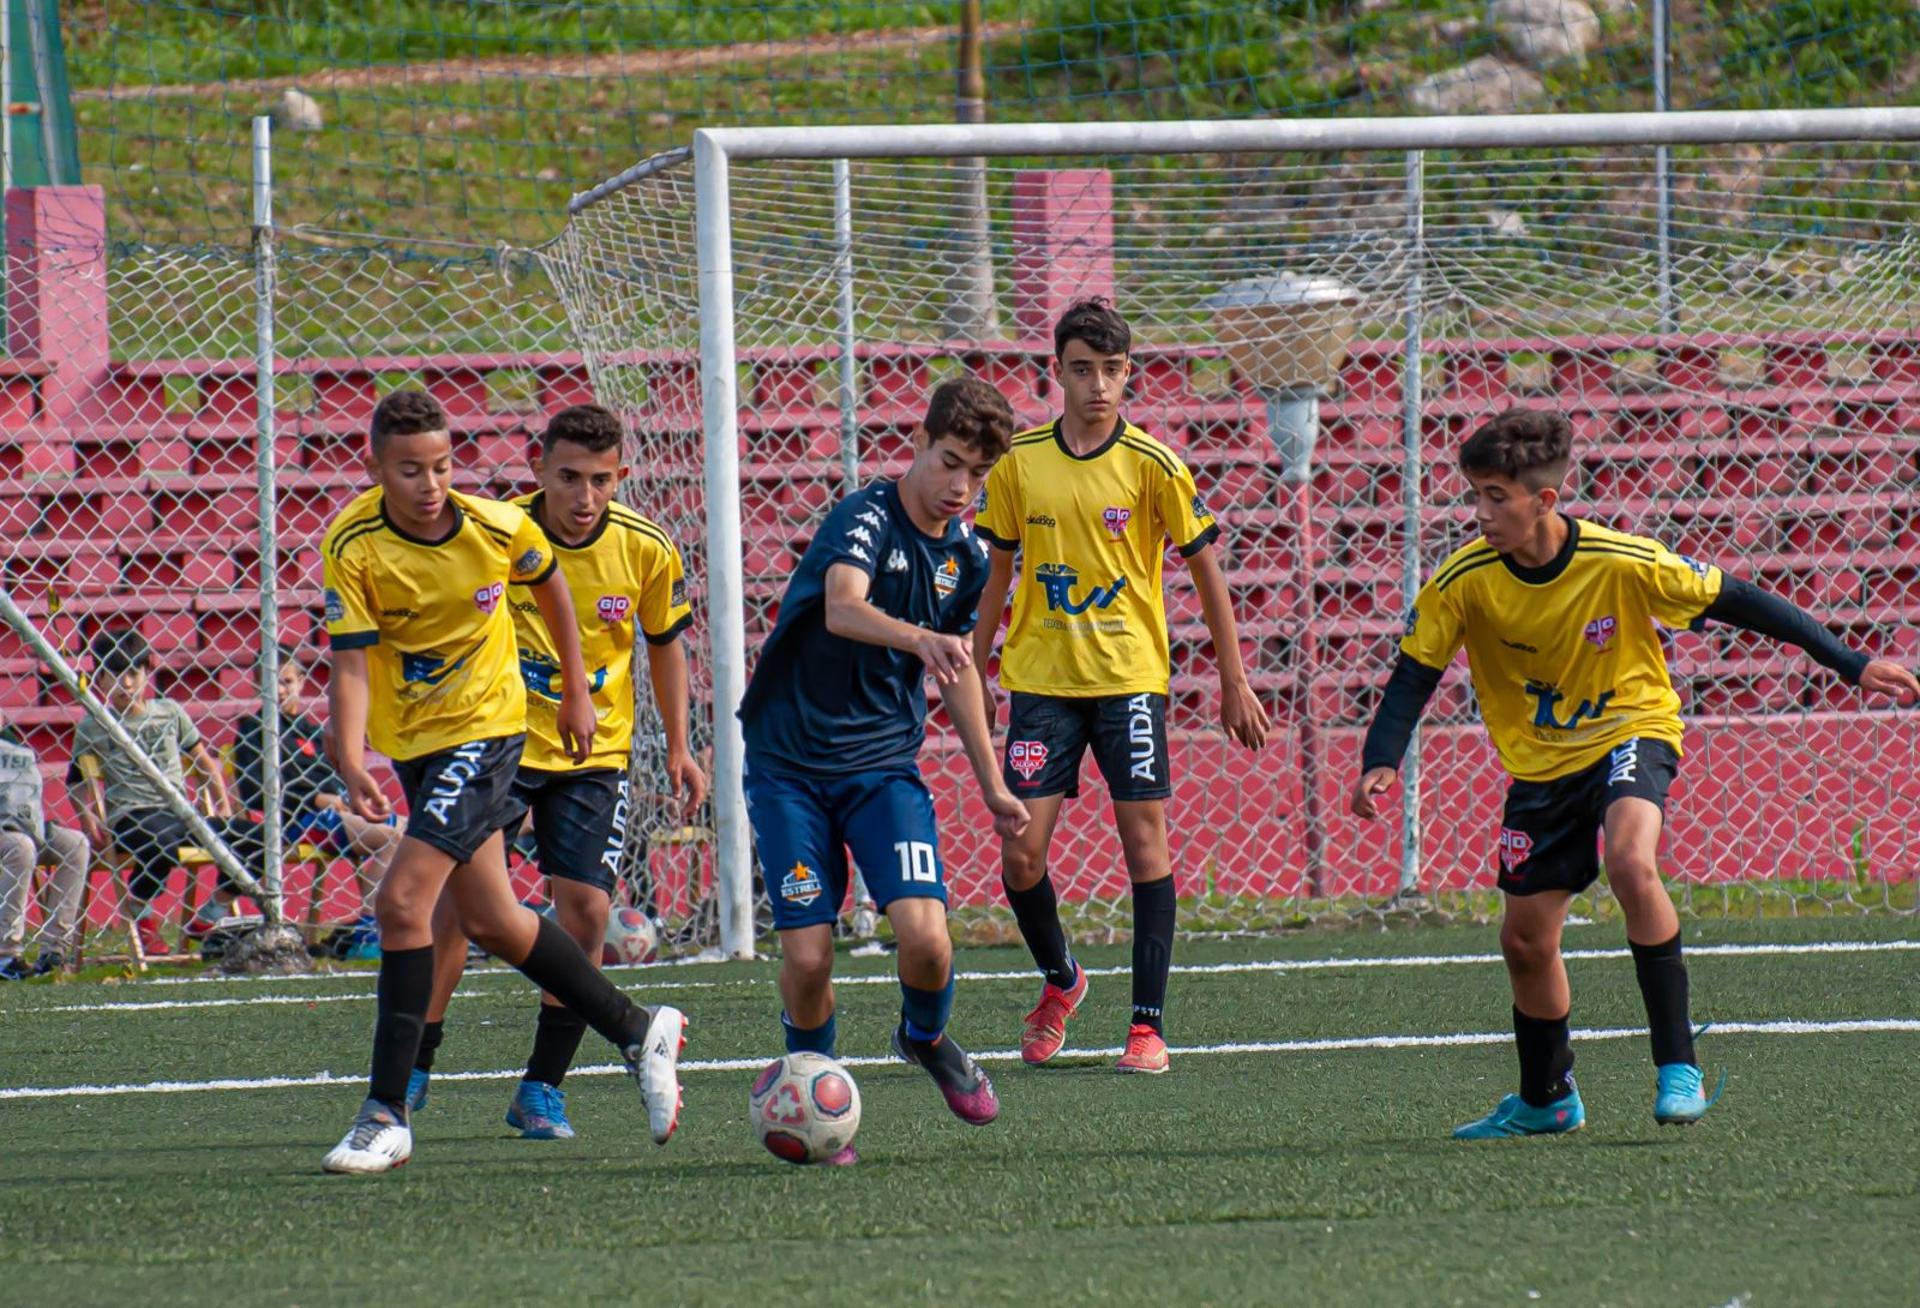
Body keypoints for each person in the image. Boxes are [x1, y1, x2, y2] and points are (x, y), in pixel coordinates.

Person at [1350, 407, 1920, 1138]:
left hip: (1632, 729)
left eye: (1497, 497)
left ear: (1544, 501)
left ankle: (1677, 1064)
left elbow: (1743, 599)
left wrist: (1850, 662)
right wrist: (1379, 761)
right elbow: (1412, 675)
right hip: (1541, 768)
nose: (1482, 513)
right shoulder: (1464, 578)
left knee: (1629, 860)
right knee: (1525, 942)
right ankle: (1547, 1097)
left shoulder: (1623, 561)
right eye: (1477, 496)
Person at [317, 388, 687, 1175]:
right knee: (489, 918)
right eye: (410, 470)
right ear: (378, 467)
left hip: (491, 733)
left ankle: (388, 1108)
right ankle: (635, 1027)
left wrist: (580, 689)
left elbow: (552, 583)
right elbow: (350, 661)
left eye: (443, 466)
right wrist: (350, 755)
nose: (429, 484)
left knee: (403, 900)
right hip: (417, 741)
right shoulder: (351, 543)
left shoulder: (497, 526)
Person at [972, 297, 1269, 1075]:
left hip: (1131, 679)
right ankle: (1063, 980)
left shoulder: (1154, 465)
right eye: (1082, 371)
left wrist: (1233, 678)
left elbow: (1205, 567)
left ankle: (1147, 1026)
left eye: (1111, 370)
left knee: (1145, 842)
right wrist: (973, 664)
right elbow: (997, 572)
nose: (1098, 386)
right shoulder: (1019, 464)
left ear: (1128, 372)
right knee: (1021, 857)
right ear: (1058, 374)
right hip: (1040, 679)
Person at [739, 376, 1028, 1164]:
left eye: (977, 474)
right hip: (788, 767)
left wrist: (993, 784)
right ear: (921, 443)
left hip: (879, 769)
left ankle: (924, 1037)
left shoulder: (965, 555)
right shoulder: (864, 517)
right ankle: (816, 1086)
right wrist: (919, 639)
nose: (960, 487)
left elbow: (960, 668)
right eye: (950, 462)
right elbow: (842, 606)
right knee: (808, 954)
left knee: (928, 942)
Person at [413, 402, 707, 1140]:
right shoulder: (496, 534)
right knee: (460, 905)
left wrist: (678, 744)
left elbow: (665, 642)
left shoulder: (646, 547)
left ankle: (541, 1089)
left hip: (592, 754)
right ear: (538, 470)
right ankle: (416, 1060)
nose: (585, 497)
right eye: (569, 477)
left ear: (622, 477)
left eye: (601, 480)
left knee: (585, 911)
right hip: (497, 743)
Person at [71, 629, 254, 958]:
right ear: (98, 679)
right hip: (132, 817)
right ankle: (139, 909)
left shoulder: (170, 712)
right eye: (114, 675)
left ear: (146, 673)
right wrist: (88, 821)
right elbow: (75, 781)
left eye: (132, 673)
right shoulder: (93, 725)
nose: (125, 684)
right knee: (161, 842)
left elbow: (204, 763)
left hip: (182, 814)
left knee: (259, 837)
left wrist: (223, 804)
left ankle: (210, 916)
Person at [232, 642, 401, 925]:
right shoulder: (253, 730)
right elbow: (252, 792)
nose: (279, 690)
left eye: (286, 681)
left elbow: (333, 777)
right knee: (392, 838)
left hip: (337, 815)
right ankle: (370, 926)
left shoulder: (311, 731)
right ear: (256, 685)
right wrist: (314, 799)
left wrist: (350, 798)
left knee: (413, 834)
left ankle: (394, 916)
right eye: (270, 682)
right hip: (298, 821)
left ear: (301, 681)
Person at [0, 708, 89, 978]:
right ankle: (6, 953)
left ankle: (54, 950)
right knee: (20, 847)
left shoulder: (11, 741)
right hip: (11, 838)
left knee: (75, 845)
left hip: (20, 824)